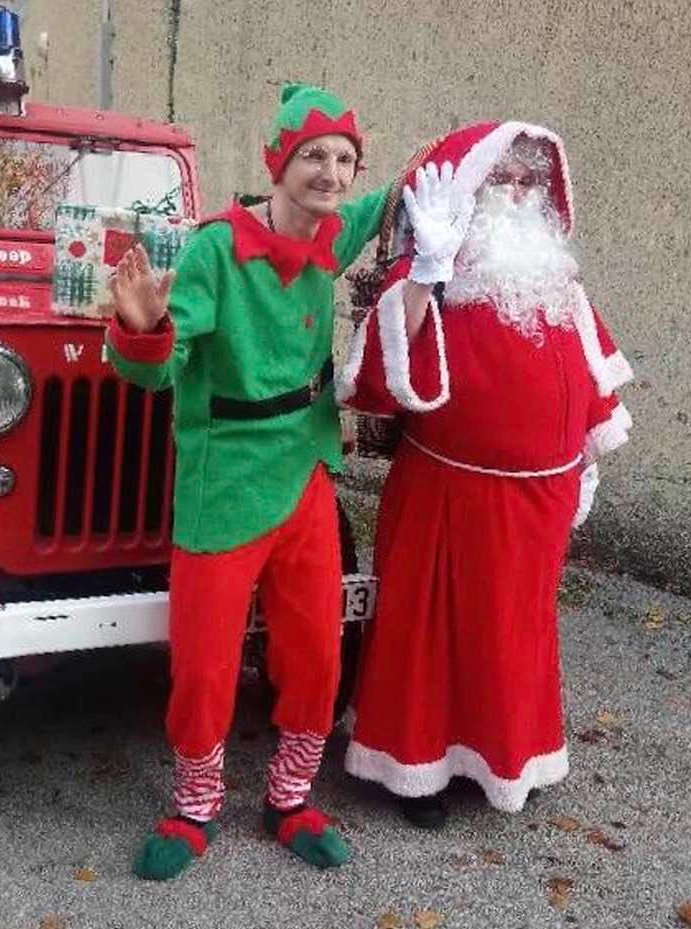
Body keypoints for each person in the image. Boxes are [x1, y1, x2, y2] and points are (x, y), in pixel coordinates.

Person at [105, 83, 393, 879]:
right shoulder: (213, 250)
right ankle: (195, 804)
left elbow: (389, 204)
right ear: (278, 161)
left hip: (305, 471)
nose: (331, 173)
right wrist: (143, 327)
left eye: (343, 159)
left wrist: (473, 155)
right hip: (225, 478)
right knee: (203, 660)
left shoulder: (331, 238)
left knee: (316, 651)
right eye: (313, 156)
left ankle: (291, 795)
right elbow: (157, 376)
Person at [337, 121, 633, 828]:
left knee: (513, 638)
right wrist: (426, 271)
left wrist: (585, 466)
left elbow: (591, 385)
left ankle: (504, 758)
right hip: (449, 500)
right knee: (432, 641)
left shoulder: (562, 290)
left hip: (539, 509)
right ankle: (415, 771)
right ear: (467, 192)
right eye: (500, 179)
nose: (517, 192)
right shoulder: (433, 286)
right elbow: (376, 382)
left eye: (528, 180)